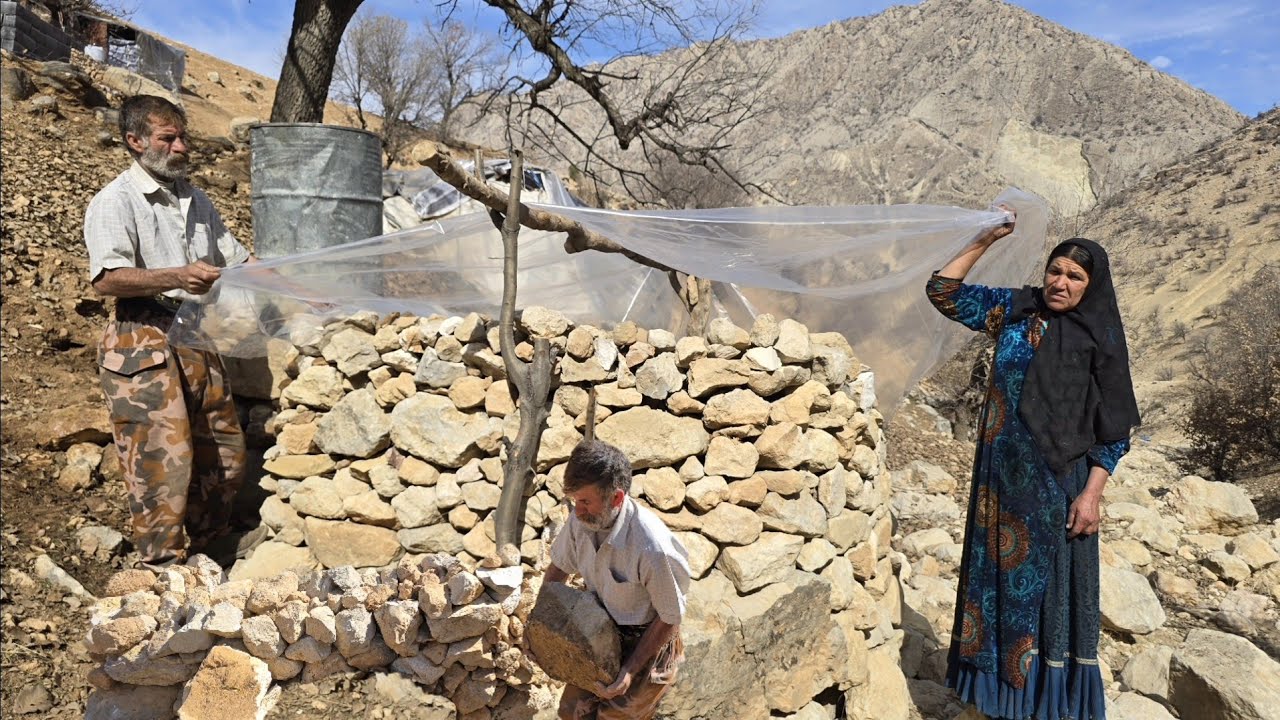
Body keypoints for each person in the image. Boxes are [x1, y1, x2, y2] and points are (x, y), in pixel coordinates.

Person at [925, 208, 1140, 720]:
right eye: (1055, 270)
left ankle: (1048, 708)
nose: (1060, 282)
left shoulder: (1100, 340)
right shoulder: (1015, 310)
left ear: (1092, 285)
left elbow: (1114, 431)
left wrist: (1091, 495)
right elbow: (943, 293)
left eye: (1075, 276)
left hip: (1058, 488)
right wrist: (984, 238)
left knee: (1051, 607)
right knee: (996, 593)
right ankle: (998, 703)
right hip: (999, 487)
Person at [84, 94, 251, 569]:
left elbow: (238, 260)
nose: (180, 147)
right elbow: (106, 279)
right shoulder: (114, 201)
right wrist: (177, 275)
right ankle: (162, 570)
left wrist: (302, 284)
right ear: (135, 142)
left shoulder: (194, 199)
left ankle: (207, 549)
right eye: (167, 138)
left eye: (183, 137)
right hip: (142, 338)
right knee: (160, 462)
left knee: (224, 450)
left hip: (195, 331)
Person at [544, 440, 691, 720]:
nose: (577, 511)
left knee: (617, 716)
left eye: (585, 501)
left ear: (616, 498)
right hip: (600, 632)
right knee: (571, 712)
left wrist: (629, 671)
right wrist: (540, 623)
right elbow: (558, 569)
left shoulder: (651, 547)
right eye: (575, 501)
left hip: (648, 640)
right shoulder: (582, 520)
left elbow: (670, 616)